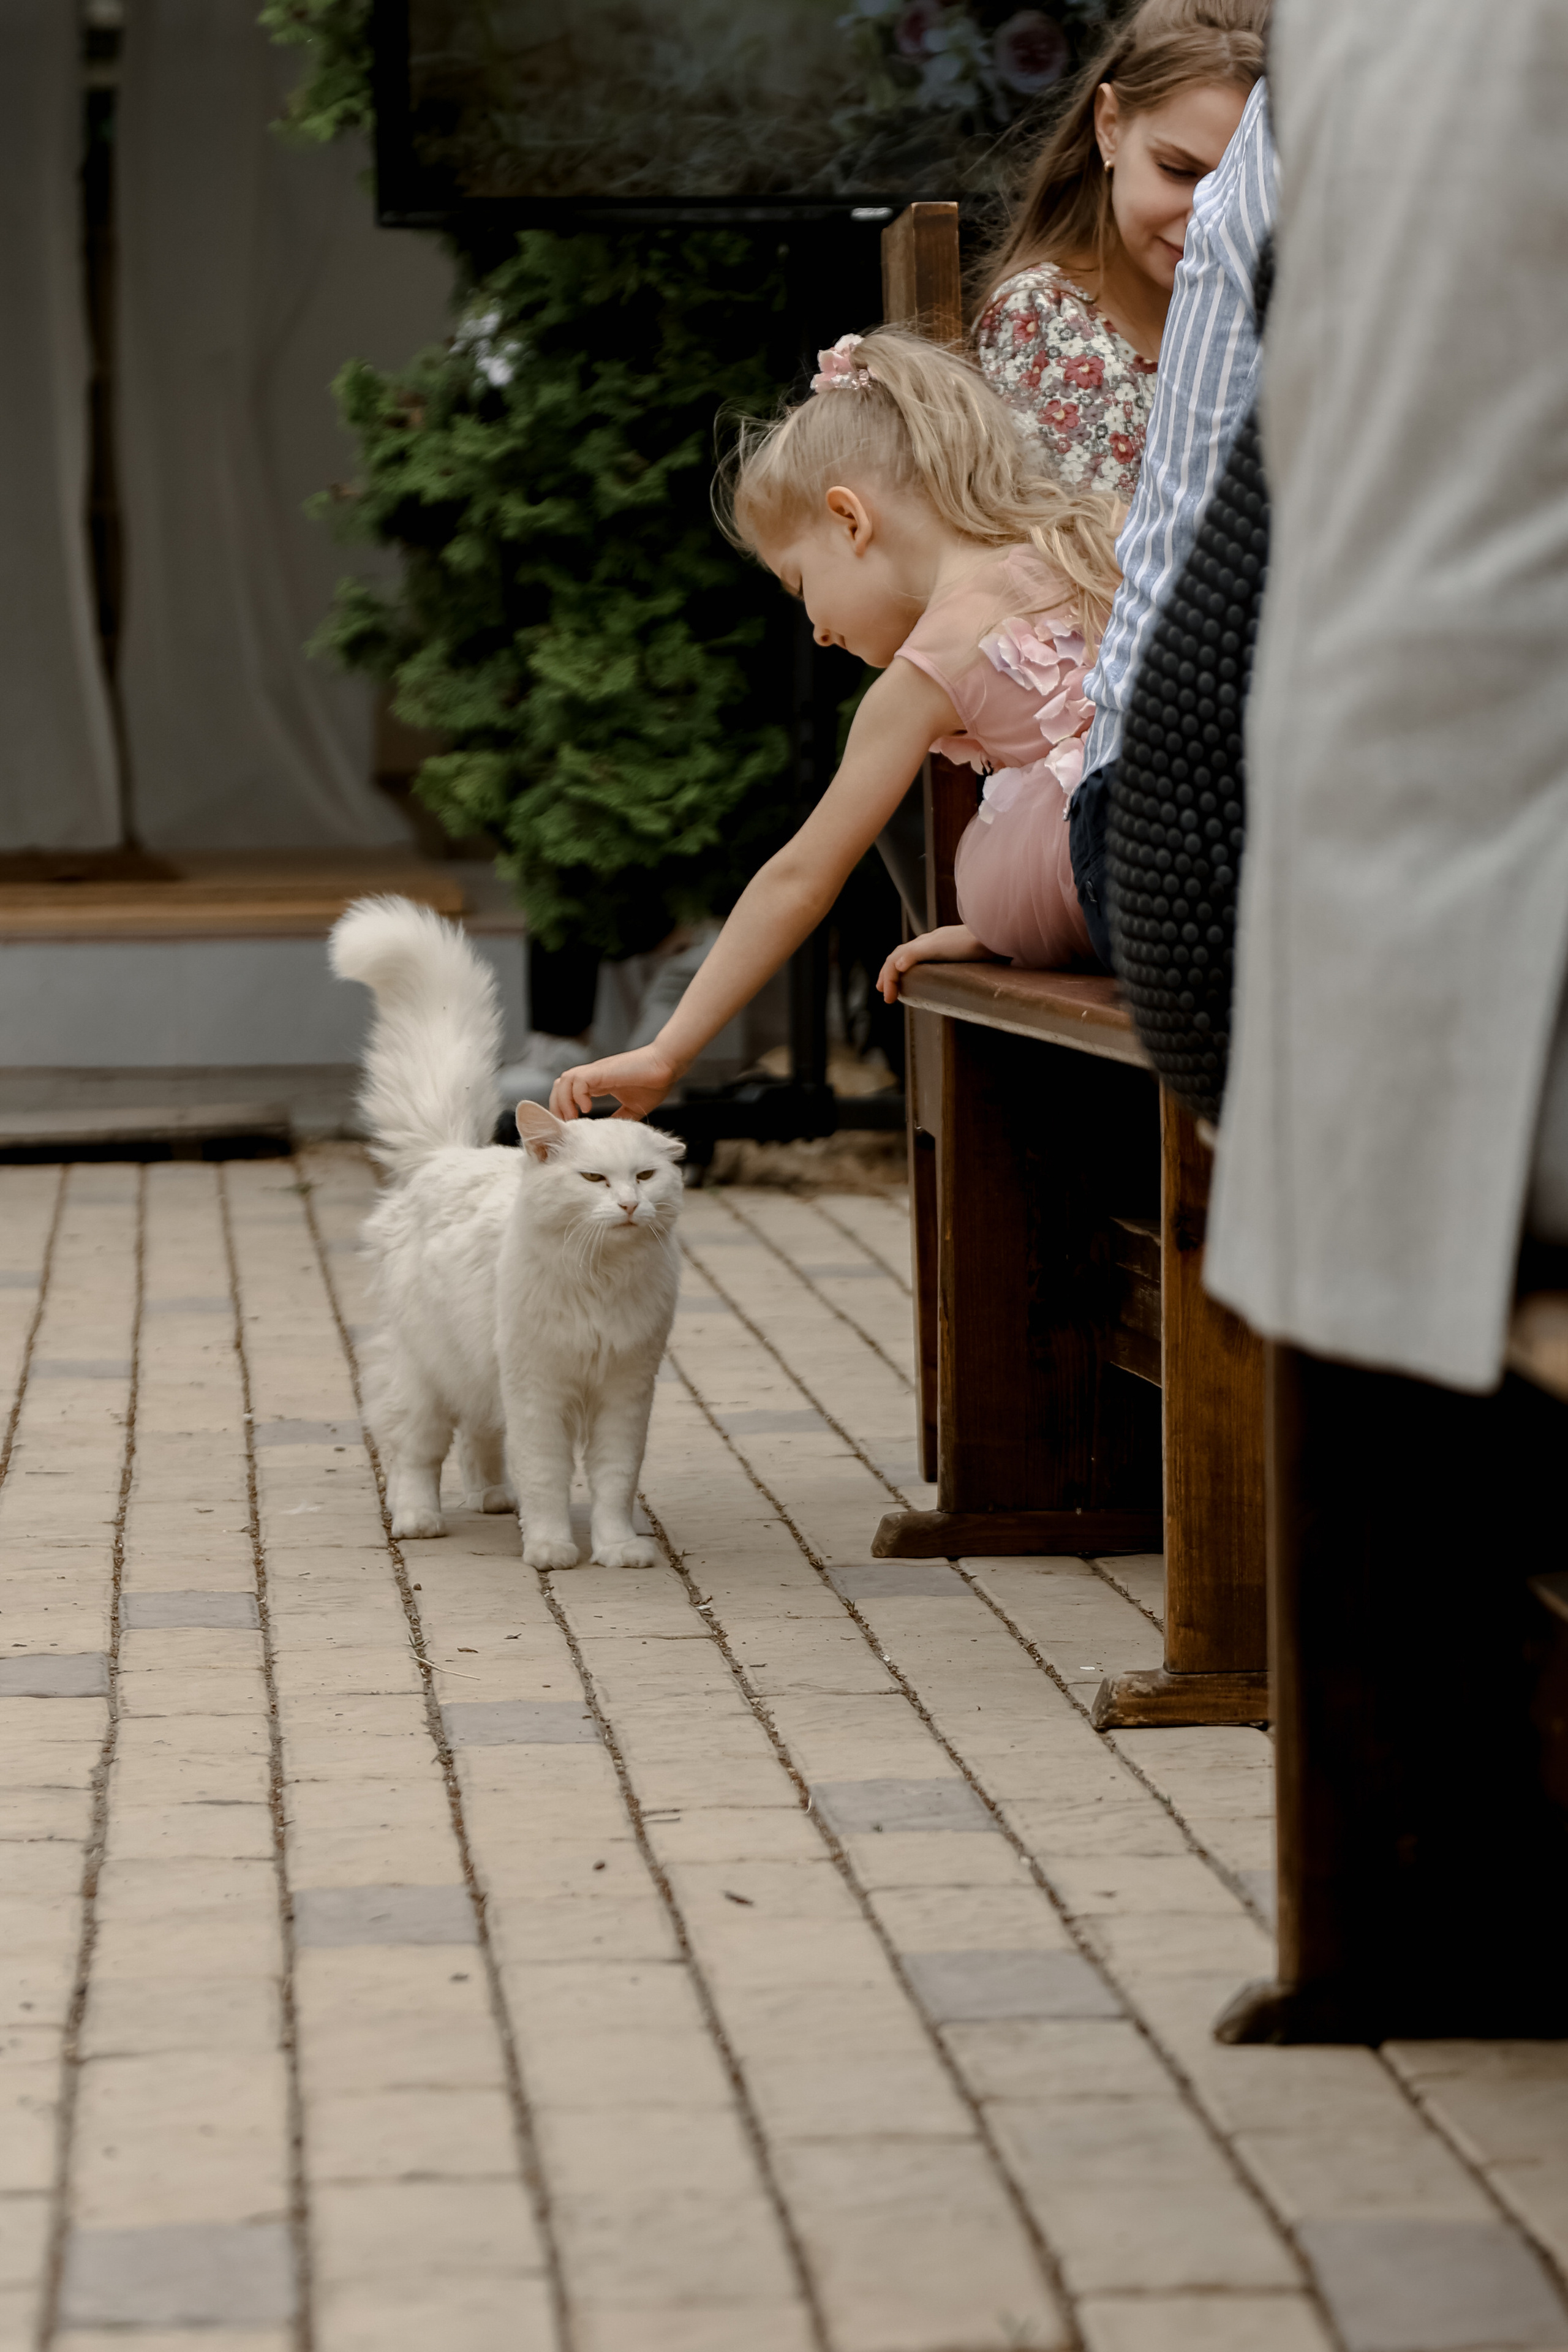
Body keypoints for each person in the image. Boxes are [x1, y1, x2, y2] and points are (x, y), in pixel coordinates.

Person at [548, 328, 1121, 1123]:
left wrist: (667, 1050)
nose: (816, 629)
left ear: (850, 521)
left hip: (1120, 881)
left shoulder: (929, 665)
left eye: (799, 583)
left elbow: (802, 876)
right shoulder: (1081, 548)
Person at [973, 0, 1266, 497]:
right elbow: (1096, 563)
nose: (1206, 221)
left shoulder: (1275, 318)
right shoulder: (1044, 319)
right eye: (1178, 171)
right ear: (1109, 126)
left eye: (1241, 192)